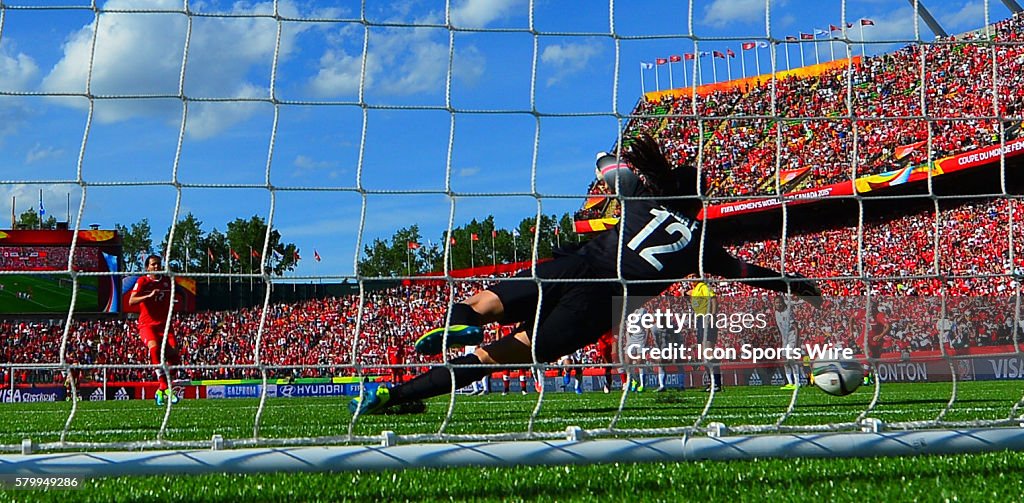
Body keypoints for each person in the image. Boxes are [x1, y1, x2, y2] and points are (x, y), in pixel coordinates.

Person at [349, 134, 822, 415]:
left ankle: (464, 319)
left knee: (484, 303)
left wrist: (634, 171)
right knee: (499, 356)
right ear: (699, 206)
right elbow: (749, 273)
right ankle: (393, 395)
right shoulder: (702, 246)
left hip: (574, 265)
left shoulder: (641, 200)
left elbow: (604, 162)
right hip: (597, 303)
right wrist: (799, 286)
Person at [128, 254, 180, 406]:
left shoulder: (166, 281)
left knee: (175, 357)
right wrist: (149, 296)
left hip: (165, 325)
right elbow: (131, 301)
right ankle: (165, 385)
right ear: (147, 267)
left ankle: (160, 390)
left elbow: (178, 292)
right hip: (147, 325)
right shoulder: (143, 281)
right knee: (154, 348)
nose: (156, 267)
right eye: (153, 265)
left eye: (158, 264)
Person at [773, 294, 803, 390]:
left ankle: (797, 382)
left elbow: (796, 328)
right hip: (784, 339)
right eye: (776, 303)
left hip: (792, 338)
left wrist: (796, 343)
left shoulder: (788, 312)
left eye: (779, 302)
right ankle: (790, 383)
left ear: (783, 303)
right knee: (785, 361)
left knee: (791, 360)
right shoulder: (776, 313)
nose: (778, 305)